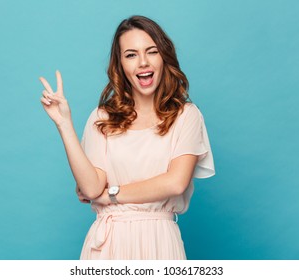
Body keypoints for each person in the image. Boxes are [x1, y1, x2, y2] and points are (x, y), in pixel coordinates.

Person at [39, 15, 215, 260]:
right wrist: (64, 124)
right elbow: (90, 187)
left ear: (163, 57)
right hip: (108, 245)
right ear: (120, 64)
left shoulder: (186, 116)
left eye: (151, 51)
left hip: (159, 242)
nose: (143, 62)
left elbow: (175, 182)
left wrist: (109, 194)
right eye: (131, 55)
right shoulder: (102, 117)